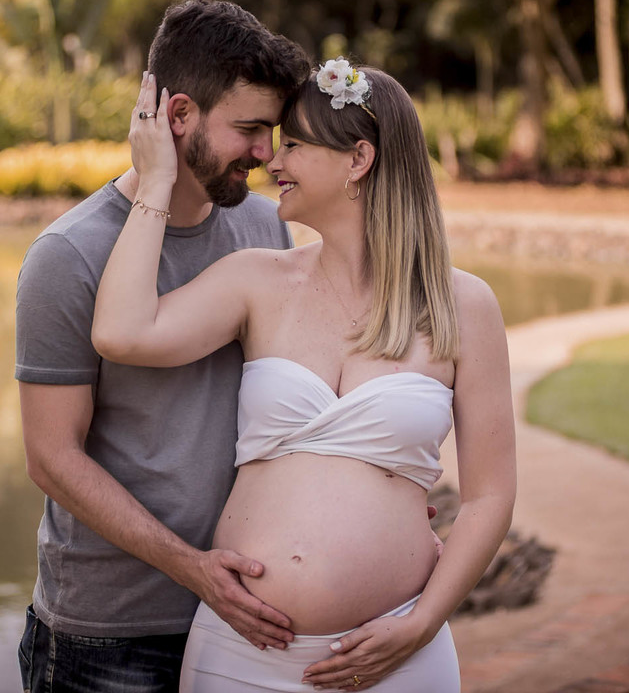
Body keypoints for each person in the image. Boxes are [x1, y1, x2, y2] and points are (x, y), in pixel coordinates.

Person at [92, 59, 517, 692]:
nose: (272, 160)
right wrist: (155, 182)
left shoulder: (464, 306)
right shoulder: (256, 280)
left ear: (358, 159)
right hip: (241, 654)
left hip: (394, 654)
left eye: (293, 144)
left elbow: (489, 496)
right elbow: (122, 333)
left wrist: (424, 622)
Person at [14, 0, 311, 693]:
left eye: (273, 131)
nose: (267, 153)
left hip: (242, 616)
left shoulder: (264, 229)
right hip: (109, 637)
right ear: (178, 116)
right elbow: (52, 460)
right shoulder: (70, 255)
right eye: (250, 129)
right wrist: (192, 568)